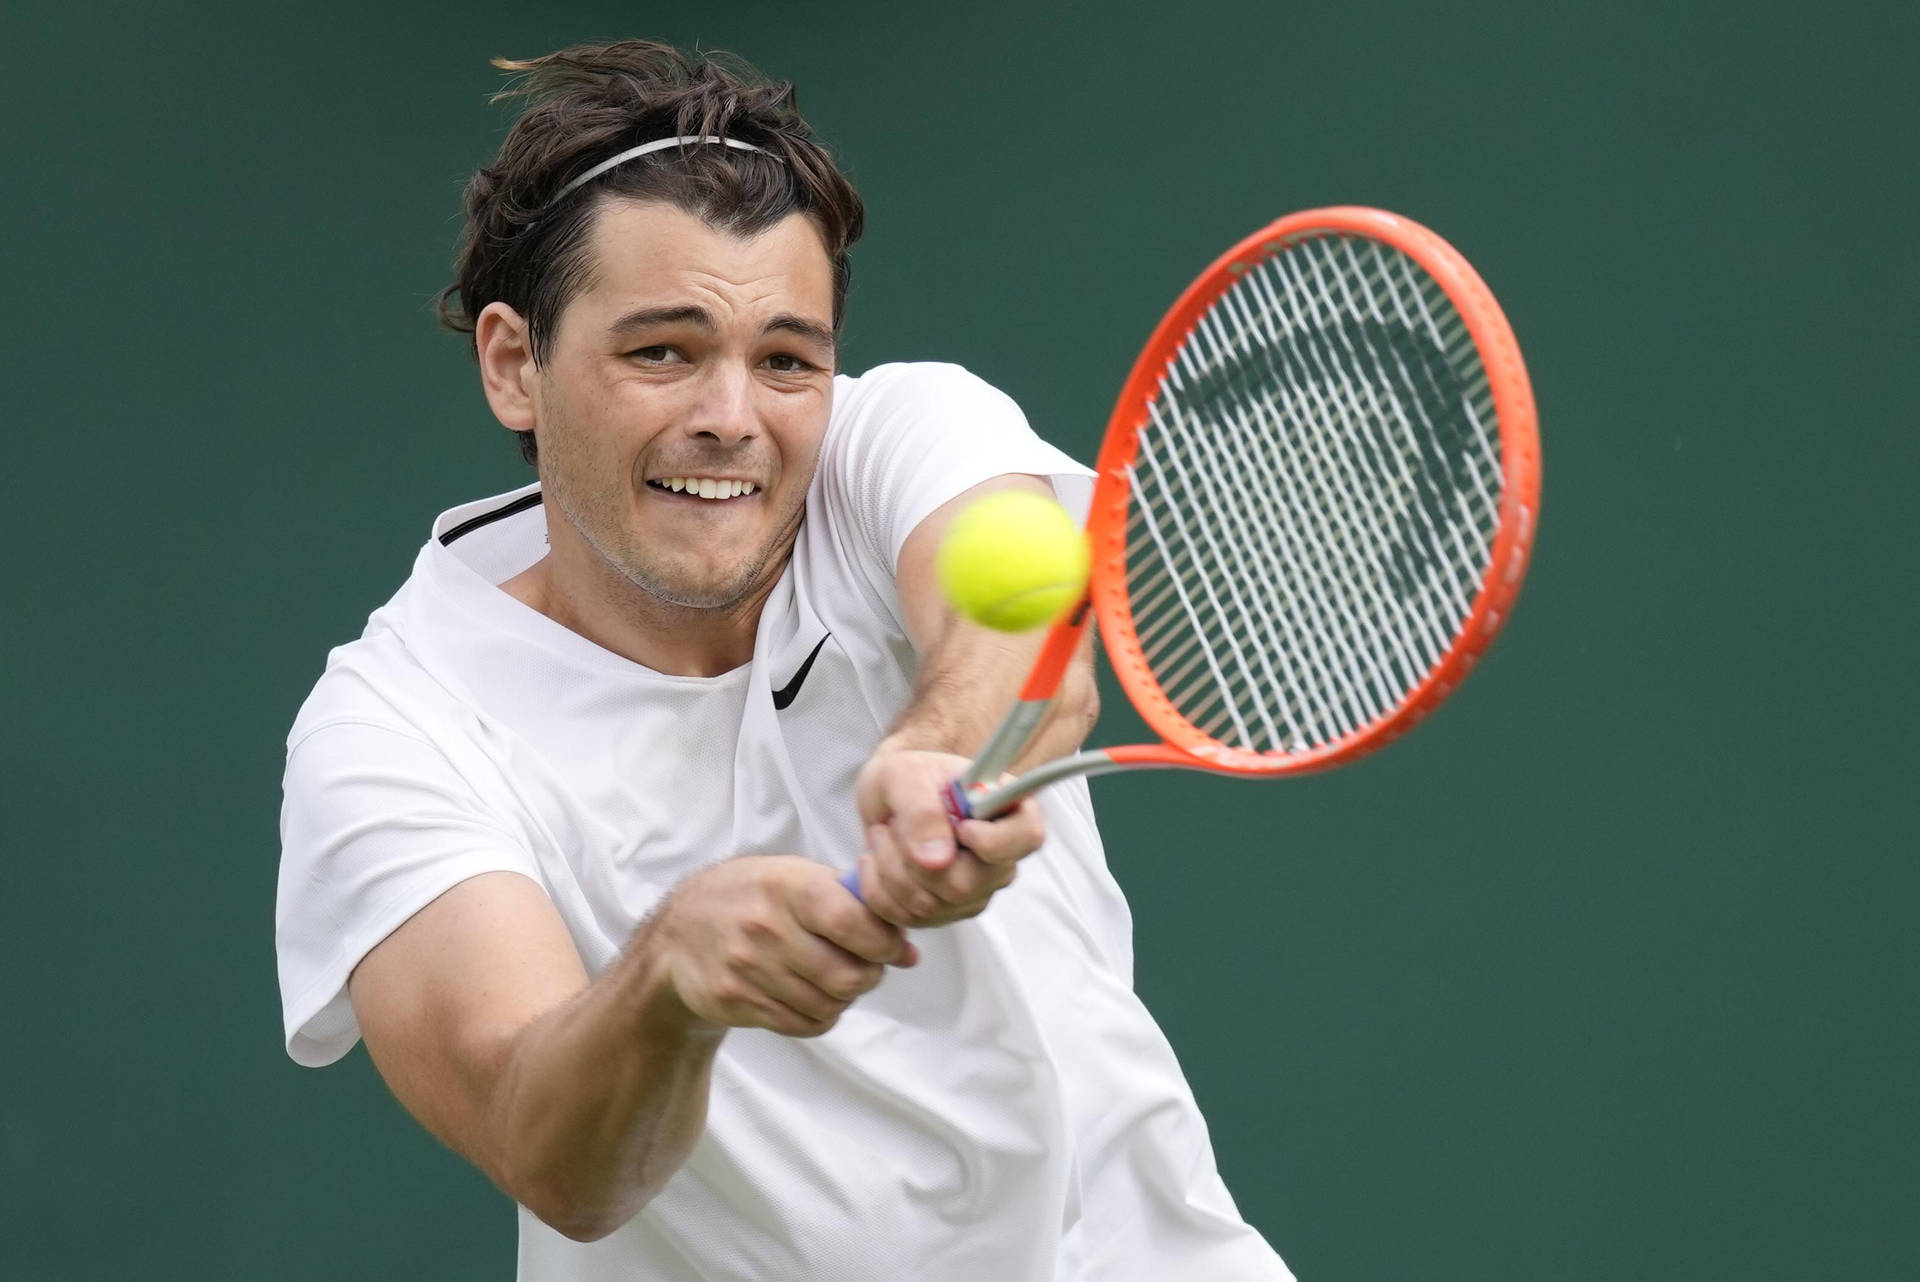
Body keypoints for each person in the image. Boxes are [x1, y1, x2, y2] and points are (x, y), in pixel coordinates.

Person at [275, 40, 1292, 1282]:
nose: (733, 416)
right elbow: (542, 1144)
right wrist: (668, 986)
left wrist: (935, 749)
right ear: (513, 365)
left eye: (787, 359)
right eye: (663, 350)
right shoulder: (392, 727)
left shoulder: (908, 433)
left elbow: (1030, 644)